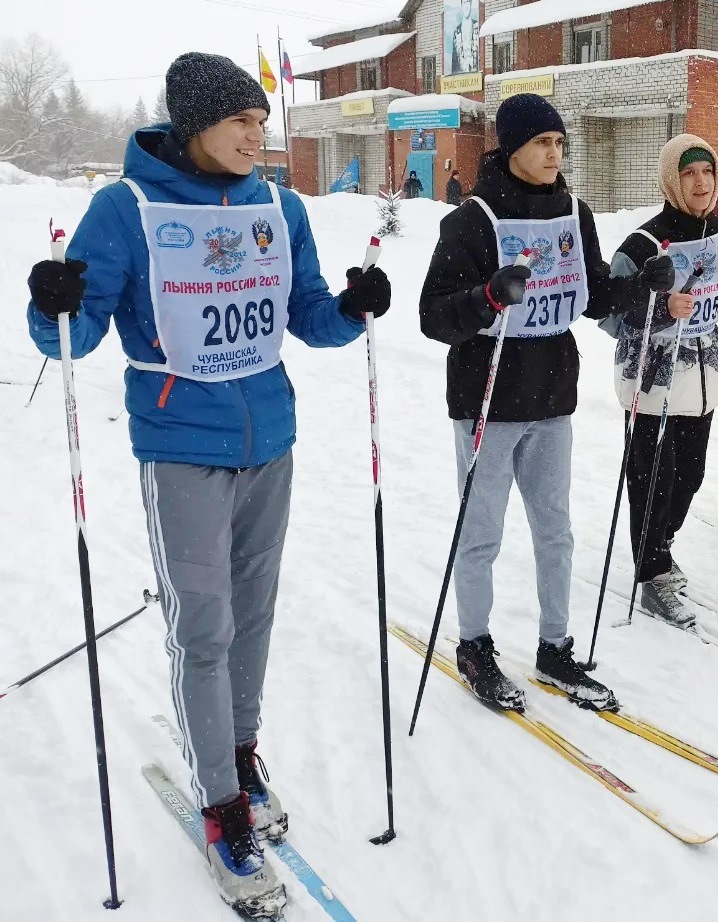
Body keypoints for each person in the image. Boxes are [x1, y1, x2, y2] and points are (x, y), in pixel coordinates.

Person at [24, 52, 391, 915]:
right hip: (181, 442)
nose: (257, 138)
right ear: (194, 125)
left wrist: (350, 307)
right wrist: (53, 302)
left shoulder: (279, 205)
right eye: (241, 123)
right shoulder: (127, 208)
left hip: (272, 438)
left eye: (262, 124)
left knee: (254, 612)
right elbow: (68, 344)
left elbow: (306, 316)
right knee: (205, 625)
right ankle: (220, 800)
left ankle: (241, 749)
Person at [418, 93, 669, 711]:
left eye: (560, 143)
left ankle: (555, 647)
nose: (554, 154)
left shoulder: (574, 211)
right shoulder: (473, 218)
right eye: (541, 143)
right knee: (481, 534)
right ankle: (474, 644)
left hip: (552, 395)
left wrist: (642, 288)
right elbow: (433, 315)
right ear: (512, 148)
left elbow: (591, 296)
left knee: (555, 532)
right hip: (488, 397)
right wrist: (487, 297)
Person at [606, 134, 718, 626]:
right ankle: (651, 568)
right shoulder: (643, 244)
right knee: (651, 478)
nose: (701, 183)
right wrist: (658, 309)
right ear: (671, 180)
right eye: (689, 173)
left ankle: (662, 543)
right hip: (651, 381)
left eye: (708, 172)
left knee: (689, 477)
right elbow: (608, 312)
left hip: (703, 378)